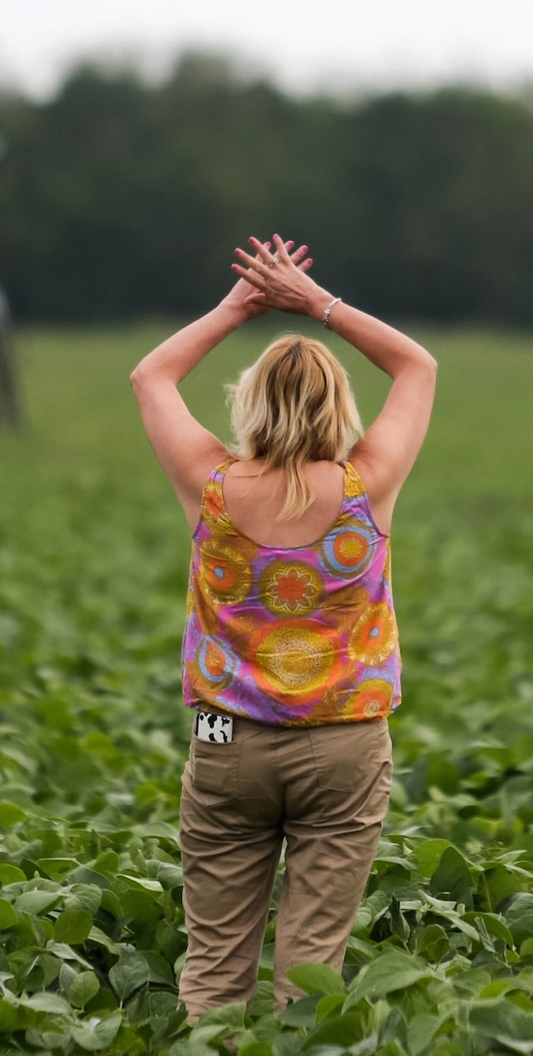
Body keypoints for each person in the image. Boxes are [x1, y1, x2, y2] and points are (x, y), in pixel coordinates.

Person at [129, 235, 437, 1019]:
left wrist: (239, 306)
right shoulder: (370, 485)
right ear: (339, 406)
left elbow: (151, 375)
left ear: (250, 402)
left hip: (225, 738)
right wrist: (317, 304)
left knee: (214, 962)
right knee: (311, 972)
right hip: (344, 741)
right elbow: (418, 367)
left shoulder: (211, 486)